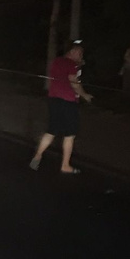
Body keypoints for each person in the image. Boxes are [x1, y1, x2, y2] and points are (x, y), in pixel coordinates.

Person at [30, 41, 93, 174]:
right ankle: (65, 165)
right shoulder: (71, 64)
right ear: (72, 51)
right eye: (79, 52)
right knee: (70, 134)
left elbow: (62, 73)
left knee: (51, 131)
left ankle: (37, 156)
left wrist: (78, 65)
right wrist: (85, 95)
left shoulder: (57, 61)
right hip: (68, 101)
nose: (81, 55)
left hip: (53, 99)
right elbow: (74, 82)